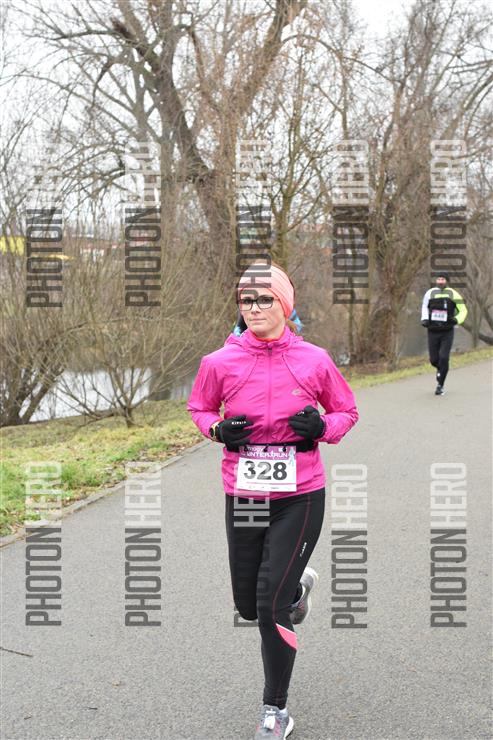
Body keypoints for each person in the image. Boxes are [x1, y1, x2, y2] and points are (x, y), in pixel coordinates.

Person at [187, 260, 359, 739]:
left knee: (269, 607)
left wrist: (321, 427)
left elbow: (347, 411)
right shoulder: (218, 363)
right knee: (247, 604)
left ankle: (275, 709)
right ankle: (297, 588)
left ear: (284, 304)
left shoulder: (314, 360)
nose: (255, 307)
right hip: (244, 494)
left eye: (265, 299)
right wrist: (217, 429)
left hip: (299, 496)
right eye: (247, 300)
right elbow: (199, 408)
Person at [421, 272, 468, 395]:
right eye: (439, 279)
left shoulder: (454, 294)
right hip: (432, 330)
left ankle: (440, 385)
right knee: (434, 360)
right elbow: (424, 307)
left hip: (447, 331)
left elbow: (463, 310)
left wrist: (456, 319)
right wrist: (424, 319)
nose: (440, 281)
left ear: (447, 281)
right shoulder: (430, 293)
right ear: (436, 281)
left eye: (443, 279)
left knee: (444, 357)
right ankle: (440, 369)